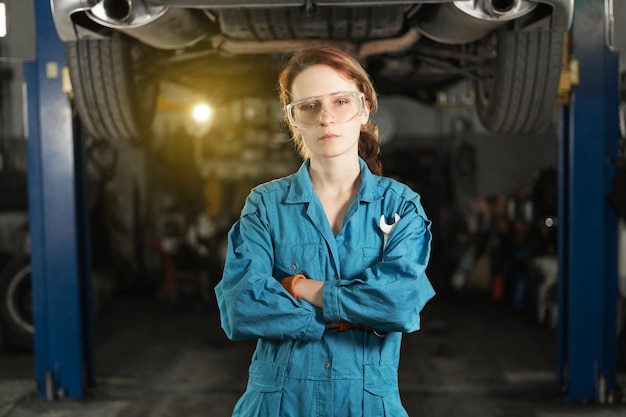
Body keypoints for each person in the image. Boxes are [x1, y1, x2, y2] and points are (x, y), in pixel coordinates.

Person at [215, 45, 435, 417]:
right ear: (293, 118)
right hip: (277, 406)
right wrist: (352, 314)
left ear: (364, 107)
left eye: (341, 102)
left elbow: (398, 305)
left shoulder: (401, 207)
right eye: (310, 106)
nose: (326, 119)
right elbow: (240, 308)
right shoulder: (266, 206)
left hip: (367, 406)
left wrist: (301, 288)